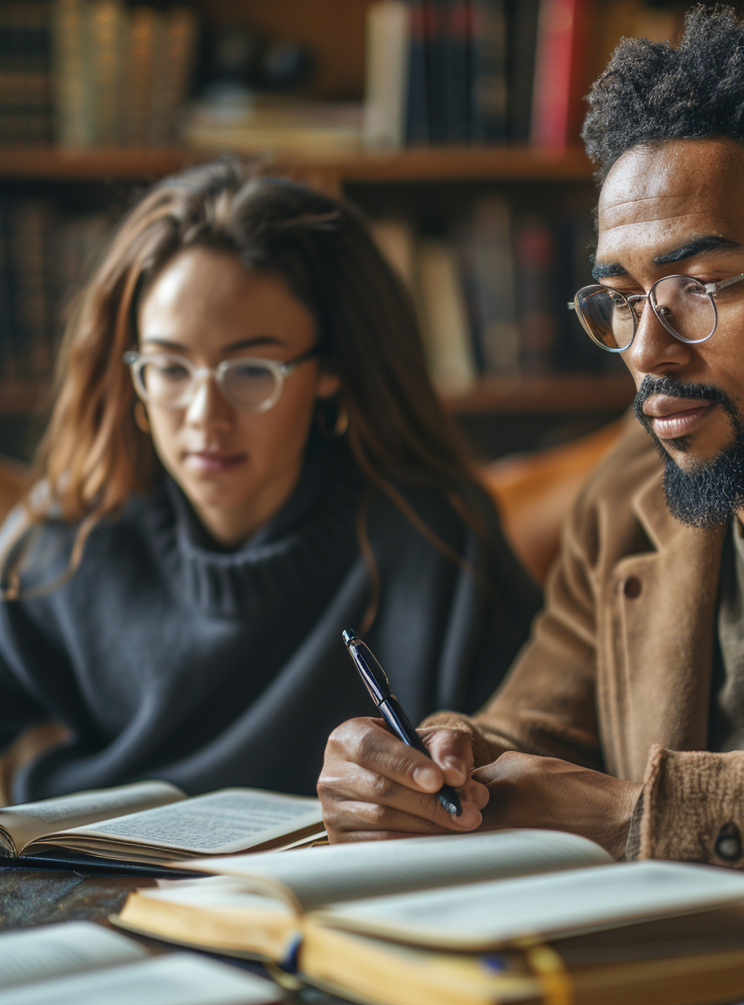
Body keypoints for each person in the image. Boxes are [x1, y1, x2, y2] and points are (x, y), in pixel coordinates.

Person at [317, 8, 744, 902]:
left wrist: (648, 818)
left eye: (699, 287)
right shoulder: (628, 498)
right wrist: (436, 768)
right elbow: (536, 729)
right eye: (621, 296)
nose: (647, 348)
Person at [0, 161, 540, 804]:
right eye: (170, 369)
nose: (204, 418)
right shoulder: (65, 541)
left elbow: (525, 749)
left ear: (331, 369)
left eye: (251, 370)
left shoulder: (434, 534)